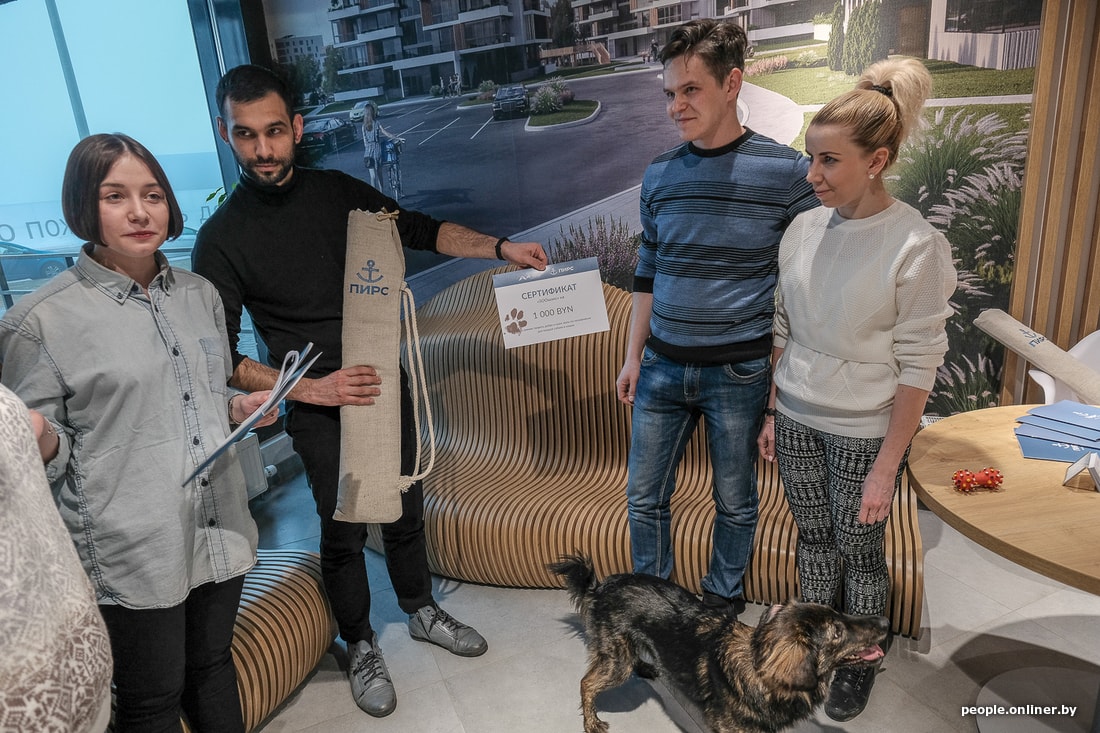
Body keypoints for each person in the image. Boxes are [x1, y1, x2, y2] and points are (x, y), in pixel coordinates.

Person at [192, 64, 548, 719]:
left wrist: (501, 248)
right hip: (317, 401)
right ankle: (359, 642)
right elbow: (224, 358)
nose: (263, 149)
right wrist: (315, 388)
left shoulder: (336, 193)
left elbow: (417, 228)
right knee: (345, 526)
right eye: (246, 135)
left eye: (274, 131)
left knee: (404, 507)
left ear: (297, 127)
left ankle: (420, 608)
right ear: (224, 132)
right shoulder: (221, 240)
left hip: (382, 377)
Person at [0, 133, 279, 732]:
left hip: (218, 523)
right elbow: (36, 460)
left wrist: (240, 407)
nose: (139, 212)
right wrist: (37, 437)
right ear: (83, 205)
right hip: (132, 544)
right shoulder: (38, 322)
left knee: (212, 666)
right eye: (115, 196)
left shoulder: (200, 295)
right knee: (151, 698)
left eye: (152, 195)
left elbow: (201, 395)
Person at [756, 57, 957, 721]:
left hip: (863, 429)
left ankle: (862, 654)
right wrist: (772, 411)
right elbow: (784, 326)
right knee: (813, 539)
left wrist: (886, 466)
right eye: (810, 157)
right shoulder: (803, 227)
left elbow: (919, 364)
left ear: (877, 161)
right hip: (796, 418)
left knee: (859, 549)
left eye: (829, 161)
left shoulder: (916, 245)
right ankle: (817, 642)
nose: (811, 175)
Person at [615, 19, 818, 616]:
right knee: (643, 499)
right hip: (660, 368)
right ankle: (655, 614)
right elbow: (647, 270)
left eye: (690, 90)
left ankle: (719, 605)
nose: (676, 106)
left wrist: (777, 400)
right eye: (670, 93)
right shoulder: (660, 174)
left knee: (735, 501)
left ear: (732, 84)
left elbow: (802, 294)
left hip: (739, 373)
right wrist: (632, 356)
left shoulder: (787, 174)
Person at [361, 101, 399, 191]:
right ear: (372, 112)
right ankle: (381, 192)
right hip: (377, 151)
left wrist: (368, 148)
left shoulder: (363, 126)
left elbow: (365, 142)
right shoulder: (377, 123)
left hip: (368, 153)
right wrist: (396, 137)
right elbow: (385, 133)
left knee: (372, 176)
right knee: (379, 174)